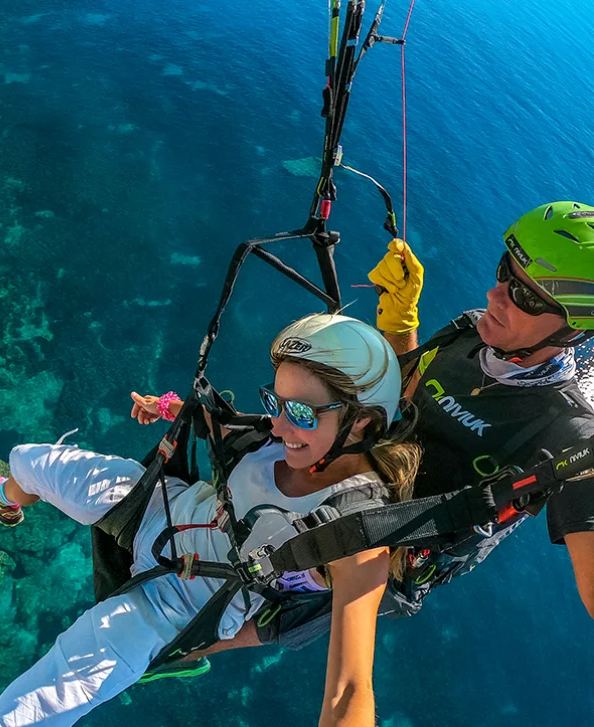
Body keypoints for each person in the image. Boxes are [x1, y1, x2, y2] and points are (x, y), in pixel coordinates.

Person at [0, 313, 419, 727]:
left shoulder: (355, 537)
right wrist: (173, 408)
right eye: (275, 400)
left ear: (362, 423)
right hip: (166, 509)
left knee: (18, 720)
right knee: (28, 460)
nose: (280, 423)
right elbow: (226, 426)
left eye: (302, 413)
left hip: (175, 605)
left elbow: (349, 690)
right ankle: (7, 499)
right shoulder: (291, 432)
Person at [213, 200, 594, 654]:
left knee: (214, 631)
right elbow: (400, 397)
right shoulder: (468, 332)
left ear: (574, 329)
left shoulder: (569, 434)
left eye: (526, 296)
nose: (496, 296)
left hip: (386, 553)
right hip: (354, 480)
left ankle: (191, 652)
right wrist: (400, 323)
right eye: (505, 272)